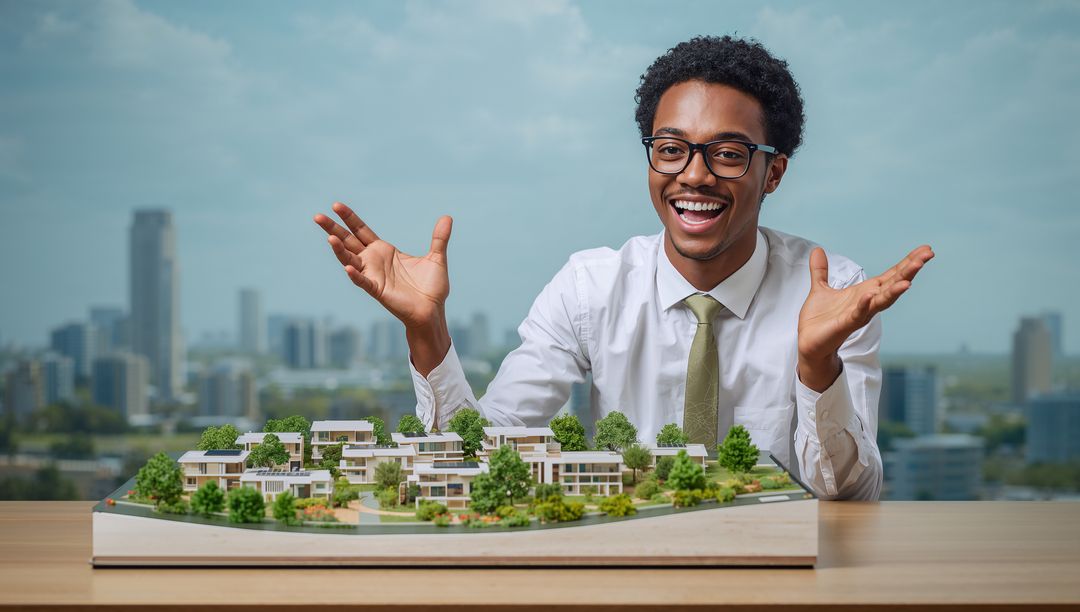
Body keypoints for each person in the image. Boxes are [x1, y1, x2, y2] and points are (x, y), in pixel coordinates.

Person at [313, 36, 934, 500]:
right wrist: (427, 331)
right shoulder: (590, 288)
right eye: (671, 149)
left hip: (781, 574)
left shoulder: (833, 293)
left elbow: (851, 495)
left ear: (773, 172)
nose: (694, 175)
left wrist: (817, 367)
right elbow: (479, 455)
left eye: (727, 154)